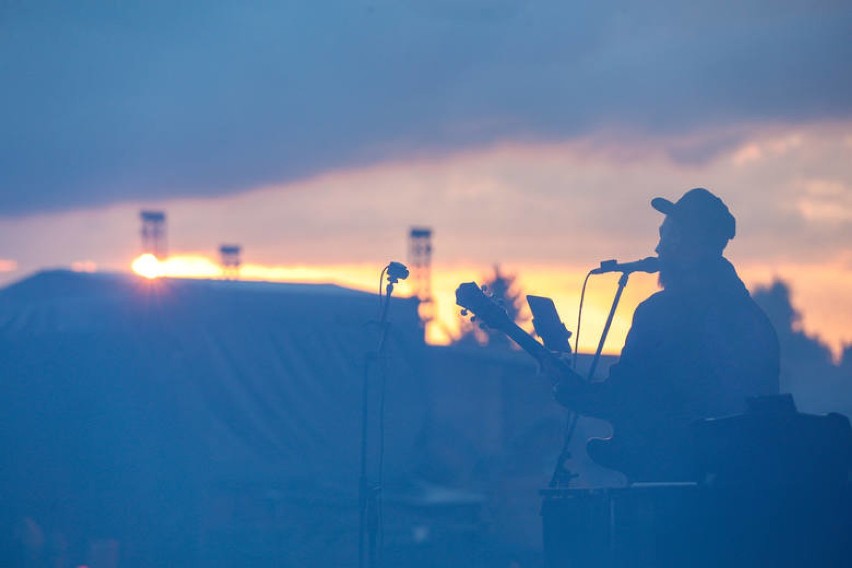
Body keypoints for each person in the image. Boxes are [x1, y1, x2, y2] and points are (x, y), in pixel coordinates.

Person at [552, 188, 780, 481]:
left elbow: (626, 399)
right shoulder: (754, 319)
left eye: (665, 236)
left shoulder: (660, 313)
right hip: (744, 486)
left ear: (687, 245)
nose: (658, 249)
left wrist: (569, 390)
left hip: (672, 489)